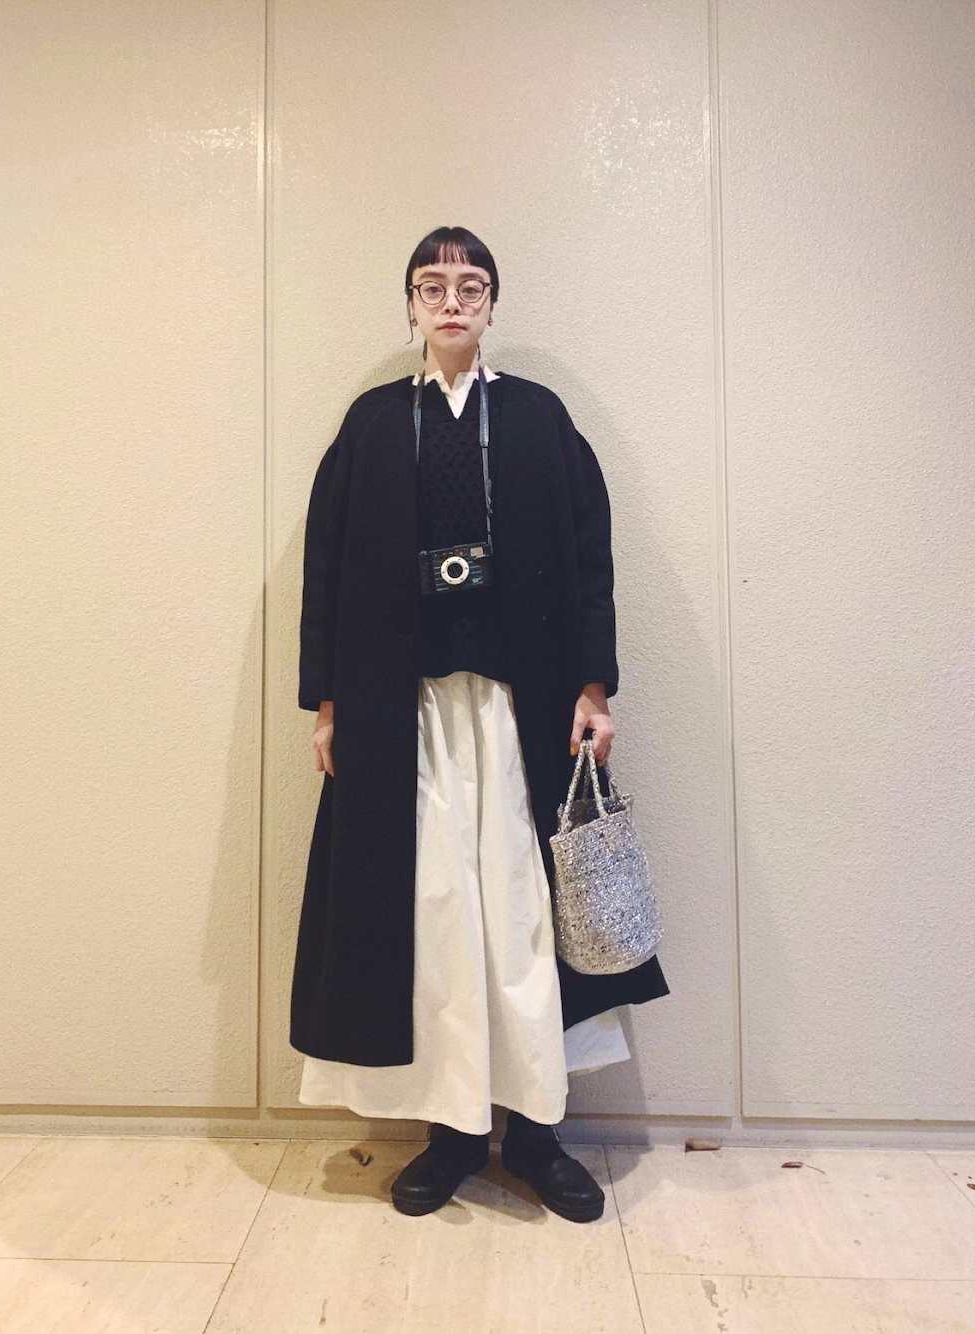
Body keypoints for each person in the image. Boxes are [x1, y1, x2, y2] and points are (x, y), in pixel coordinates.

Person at [290, 226, 669, 1222]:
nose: (451, 301)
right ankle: (452, 1132)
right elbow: (327, 566)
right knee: (435, 916)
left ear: (492, 303)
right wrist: (327, 700)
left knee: (522, 908)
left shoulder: (538, 417)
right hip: (403, 711)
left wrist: (593, 687)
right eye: (433, 285)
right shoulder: (374, 423)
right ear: (411, 304)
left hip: (519, 709)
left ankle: (537, 1132)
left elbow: (589, 556)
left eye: (470, 285)